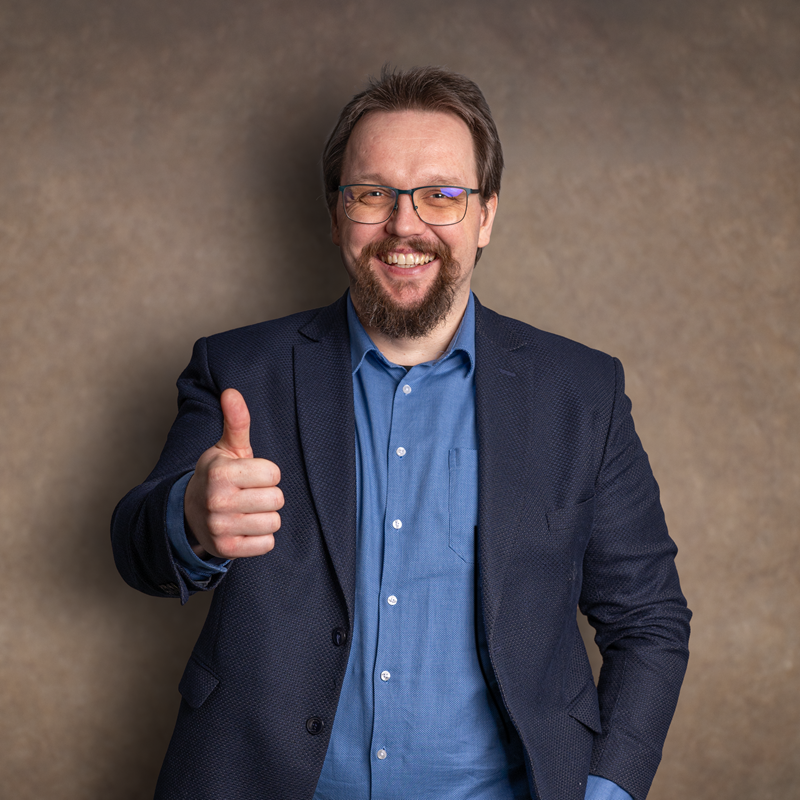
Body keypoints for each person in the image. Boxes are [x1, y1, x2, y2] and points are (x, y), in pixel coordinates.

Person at [112, 66, 690, 800]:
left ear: (486, 217)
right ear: (336, 215)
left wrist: (606, 791)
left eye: (441, 195)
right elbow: (136, 548)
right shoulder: (239, 370)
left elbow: (649, 620)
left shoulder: (582, 392)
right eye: (372, 193)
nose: (405, 225)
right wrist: (190, 519)